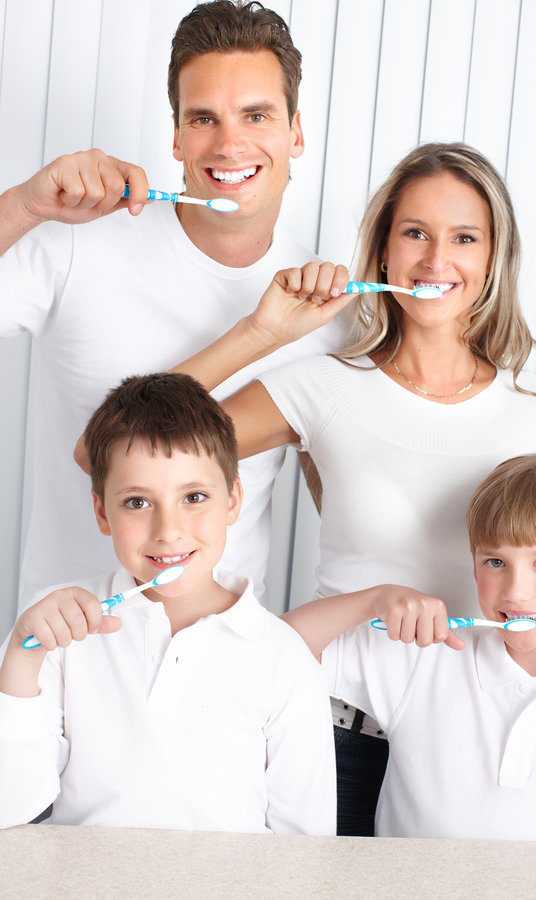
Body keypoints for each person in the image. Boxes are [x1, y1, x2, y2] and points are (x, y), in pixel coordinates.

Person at [163, 141, 536, 834]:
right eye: (415, 233)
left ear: (492, 259)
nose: (437, 259)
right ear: (383, 252)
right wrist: (261, 331)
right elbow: (139, 446)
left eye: (464, 238)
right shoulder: (324, 387)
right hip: (334, 735)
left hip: (471, 738)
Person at [0, 1, 348, 610]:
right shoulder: (80, 240)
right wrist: (24, 207)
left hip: (225, 655)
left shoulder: (329, 312)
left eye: (256, 115)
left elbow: (350, 512)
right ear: (177, 136)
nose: (230, 144)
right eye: (204, 118)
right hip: (66, 645)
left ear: (295, 132)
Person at [0, 373, 336, 833]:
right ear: (102, 512)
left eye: (193, 497)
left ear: (233, 500)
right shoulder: (55, 628)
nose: (168, 531)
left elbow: (305, 844)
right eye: (137, 503)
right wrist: (23, 657)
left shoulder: (284, 657)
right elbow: (9, 807)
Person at [281, 454, 536, 841]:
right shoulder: (426, 658)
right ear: (475, 567)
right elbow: (276, 649)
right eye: (496, 562)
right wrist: (373, 600)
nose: (517, 591)